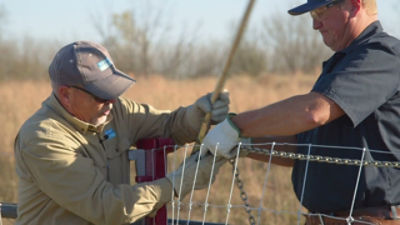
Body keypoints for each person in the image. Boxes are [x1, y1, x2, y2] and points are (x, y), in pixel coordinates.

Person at [201, 0, 400, 224]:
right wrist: (241, 142)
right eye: (312, 16)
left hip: (368, 220)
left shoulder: (384, 55)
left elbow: (313, 112)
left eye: (319, 12)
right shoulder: (344, 63)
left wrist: (235, 126)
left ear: (353, 6)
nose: (315, 25)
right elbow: (302, 146)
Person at [14, 40, 229, 225]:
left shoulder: (116, 111)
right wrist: (178, 183)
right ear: (66, 95)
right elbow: (106, 206)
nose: (112, 101)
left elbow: (167, 125)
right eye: (101, 94)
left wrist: (198, 116)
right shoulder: (43, 138)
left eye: (114, 90)